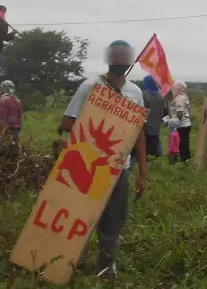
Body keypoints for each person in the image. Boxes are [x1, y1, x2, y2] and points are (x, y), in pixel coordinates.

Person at [57, 40, 147, 279]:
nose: (119, 60)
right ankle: (72, 263)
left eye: (123, 56)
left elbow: (138, 133)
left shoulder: (135, 92)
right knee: (81, 217)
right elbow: (66, 123)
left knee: (113, 221)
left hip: (121, 168)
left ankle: (107, 267)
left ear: (129, 60)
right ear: (109, 59)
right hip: (89, 166)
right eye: (116, 56)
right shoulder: (91, 86)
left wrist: (143, 172)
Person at [141, 75, 166, 158]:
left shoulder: (144, 94)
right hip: (156, 126)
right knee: (153, 147)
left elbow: (141, 111)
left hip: (145, 126)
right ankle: (154, 163)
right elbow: (164, 111)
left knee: (143, 148)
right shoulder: (161, 96)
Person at [170, 81, 192, 163]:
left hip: (181, 126)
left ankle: (184, 162)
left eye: (174, 88)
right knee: (184, 144)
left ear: (178, 89)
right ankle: (185, 160)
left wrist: (172, 122)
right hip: (185, 125)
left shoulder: (179, 99)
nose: (173, 89)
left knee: (181, 145)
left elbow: (180, 113)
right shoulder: (183, 96)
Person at [0, 80, 23, 145]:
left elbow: (1, 116)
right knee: (14, 148)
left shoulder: (3, 99)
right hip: (16, 129)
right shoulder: (18, 100)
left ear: (3, 89)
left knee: (4, 150)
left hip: (6, 129)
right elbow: (20, 116)